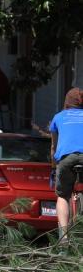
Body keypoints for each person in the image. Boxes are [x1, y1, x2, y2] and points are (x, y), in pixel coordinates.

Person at [48, 87, 83, 240]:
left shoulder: (58, 117)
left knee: (63, 195)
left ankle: (64, 239)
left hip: (66, 159)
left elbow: (53, 147)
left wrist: (54, 166)